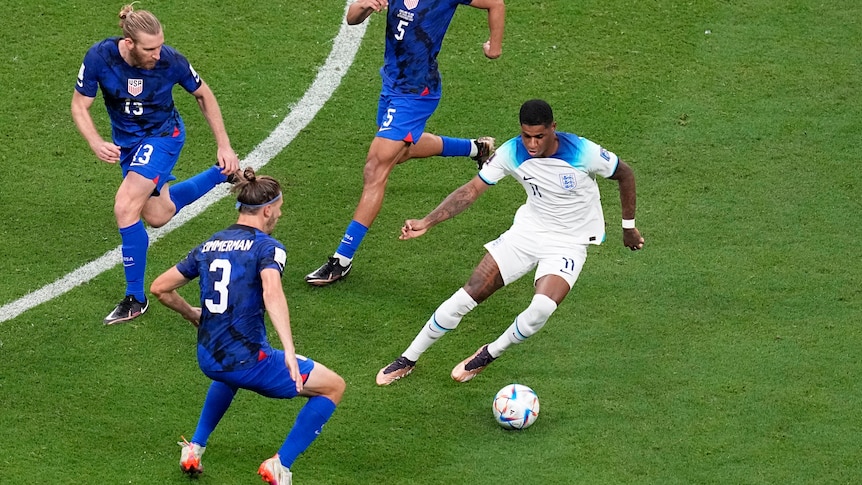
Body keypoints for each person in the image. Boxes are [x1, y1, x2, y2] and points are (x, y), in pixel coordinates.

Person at [376, 99, 645, 385]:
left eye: (539, 136)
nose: (531, 143)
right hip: (527, 233)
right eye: (526, 135)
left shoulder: (582, 151)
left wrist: (628, 227)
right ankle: (408, 358)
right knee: (467, 295)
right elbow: (472, 189)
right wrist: (427, 221)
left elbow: (625, 173)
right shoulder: (512, 152)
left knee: (541, 308)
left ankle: (488, 354)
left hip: (569, 242)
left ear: (553, 128)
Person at [150, 168, 346, 484]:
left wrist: (191, 313)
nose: (279, 216)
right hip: (248, 361)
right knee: (333, 386)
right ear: (267, 209)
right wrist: (290, 351)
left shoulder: (210, 244)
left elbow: (159, 287)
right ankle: (280, 465)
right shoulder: (268, 247)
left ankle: (195, 448)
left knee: (229, 376)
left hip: (210, 360)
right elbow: (272, 291)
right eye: (279, 210)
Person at [305, 0, 506, 286]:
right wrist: (364, 6)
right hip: (392, 84)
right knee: (400, 152)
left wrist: (493, 47)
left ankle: (342, 259)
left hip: (417, 93)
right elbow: (351, 18)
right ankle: (477, 148)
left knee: (376, 168)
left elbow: (495, 3)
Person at [71, 4, 240, 325]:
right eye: (150, 48)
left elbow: (204, 94)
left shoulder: (171, 61)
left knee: (124, 207)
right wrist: (95, 140)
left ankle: (135, 297)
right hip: (129, 145)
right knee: (158, 215)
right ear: (129, 43)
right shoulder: (100, 57)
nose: (157, 54)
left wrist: (224, 144)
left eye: (160, 45)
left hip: (164, 136)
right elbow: (80, 104)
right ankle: (223, 174)